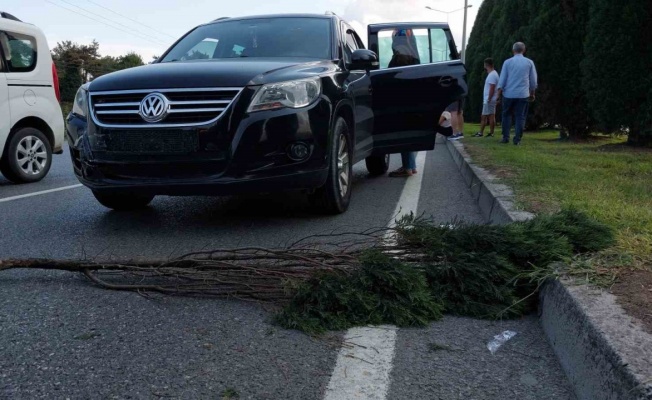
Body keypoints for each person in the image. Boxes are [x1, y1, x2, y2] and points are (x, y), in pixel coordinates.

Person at [388, 29, 421, 177]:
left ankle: (407, 167)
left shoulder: (400, 56)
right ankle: (411, 166)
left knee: (403, 133)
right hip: (413, 99)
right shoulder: (414, 54)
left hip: (402, 100)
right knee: (410, 132)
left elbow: (392, 76)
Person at [496, 42, 538, 145]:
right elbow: (533, 80)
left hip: (508, 94)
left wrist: (498, 94)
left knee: (506, 115)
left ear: (513, 50)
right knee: (520, 116)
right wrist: (532, 92)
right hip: (523, 94)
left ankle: (505, 137)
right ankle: (517, 139)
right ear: (524, 50)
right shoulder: (529, 62)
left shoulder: (507, 62)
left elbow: (502, 80)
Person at [474, 58, 500, 137]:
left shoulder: (492, 75)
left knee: (484, 116)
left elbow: (492, 88)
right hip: (492, 99)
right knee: (491, 115)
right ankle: (491, 132)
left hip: (489, 99)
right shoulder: (494, 74)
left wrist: (489, 98)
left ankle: (481, 132)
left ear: (486, 65)